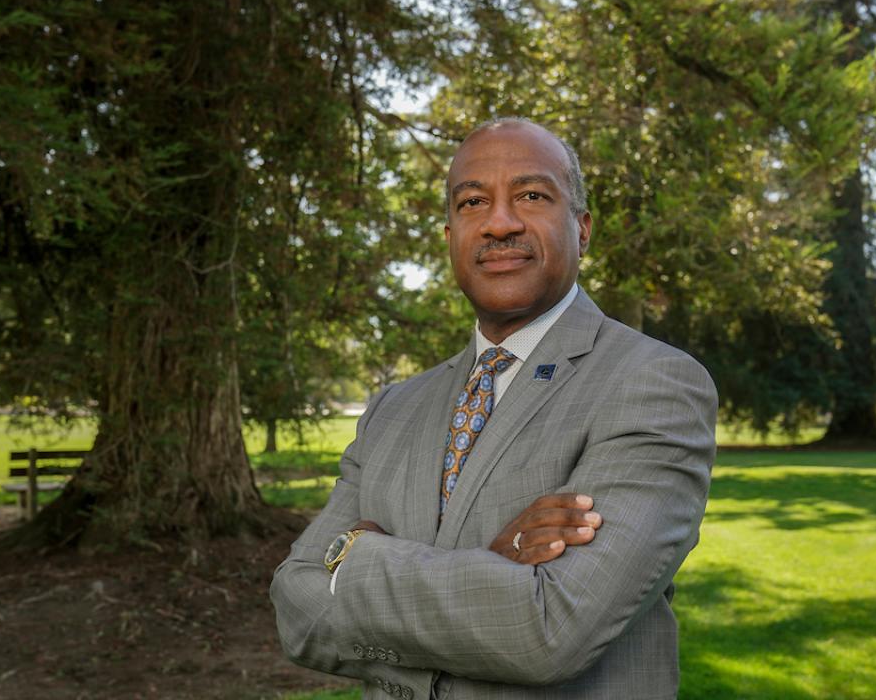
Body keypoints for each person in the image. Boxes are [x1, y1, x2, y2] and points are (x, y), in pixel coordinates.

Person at [270, 118, 717, 699]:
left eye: (531, 196)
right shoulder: (393, 409)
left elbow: (550, 630)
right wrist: (490, 566)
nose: (500, 223)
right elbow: (295, 609)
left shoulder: (652, 384)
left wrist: (353, 559)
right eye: (474, 202)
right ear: (451, 232)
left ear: (582, 229)